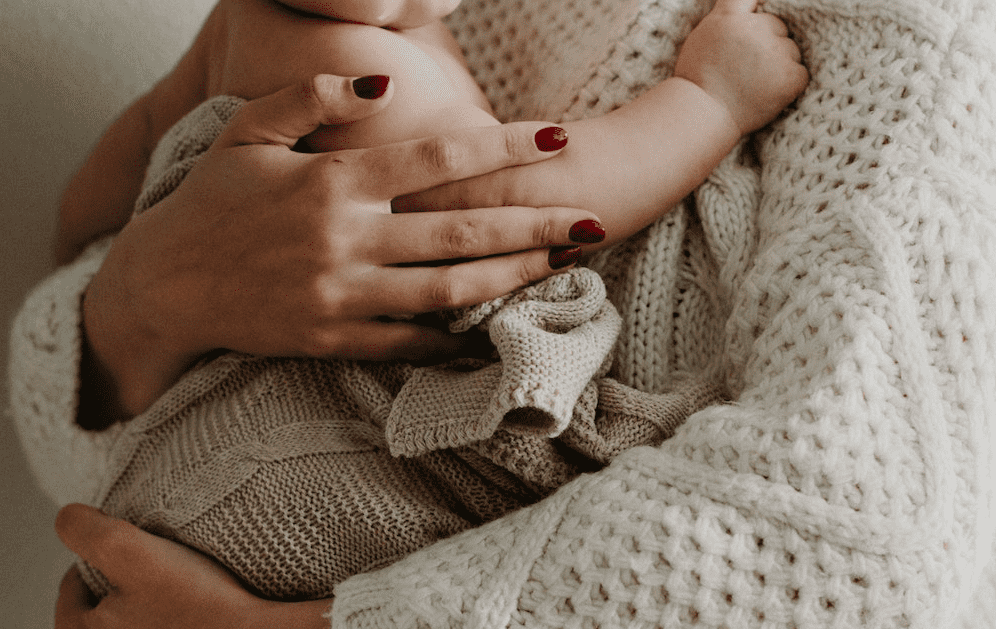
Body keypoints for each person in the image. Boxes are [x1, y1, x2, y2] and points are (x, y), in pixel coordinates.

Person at [17, 0, 995, 625]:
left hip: (283, 527)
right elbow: (529, 208)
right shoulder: (350, 51)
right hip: (247, 480)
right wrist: (706, 99)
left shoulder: (926, 53)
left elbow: (857, 560)